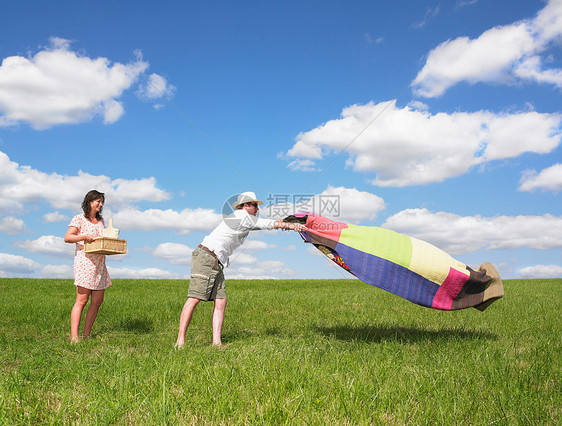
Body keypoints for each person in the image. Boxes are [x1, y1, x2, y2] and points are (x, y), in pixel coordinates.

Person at [175, 191, 305, 348]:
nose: (257, 208)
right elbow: (266, 224)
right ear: (245, 206)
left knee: (221, 301)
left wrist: (285, 224)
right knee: (195, 298)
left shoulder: (245, 220)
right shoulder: (241, 216)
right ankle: (180, 342)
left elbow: (266, 225)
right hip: (206, 257)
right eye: (255, 205)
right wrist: (289, 225)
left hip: (216, 261)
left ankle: (217, 343)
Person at [64, 190, 111, 342]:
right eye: (98, 201)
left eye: (102, 202)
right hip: (85, 263)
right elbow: (68, 237)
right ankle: (74, 337)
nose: (101, 204)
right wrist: (83, 237)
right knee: (82, 300)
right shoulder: (79, 219)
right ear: (90, 201)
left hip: (99, 264)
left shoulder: (101, 220)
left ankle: (86, 335)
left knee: (97, 301)